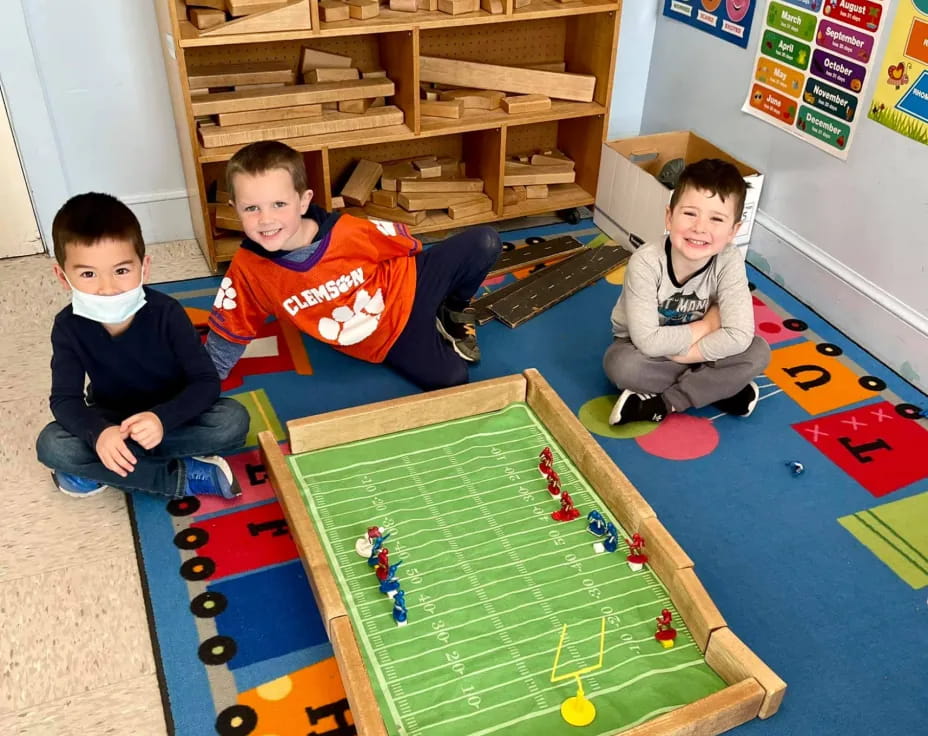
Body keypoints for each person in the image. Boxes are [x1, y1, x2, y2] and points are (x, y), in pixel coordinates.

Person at [205, 141, 501, 391]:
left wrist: (439, 278)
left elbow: (408, 247)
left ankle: (451, 310)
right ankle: (435, 319)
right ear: (235, 210)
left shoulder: (347, 229)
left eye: (279, 205)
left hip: (407, 283)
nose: (266, 219)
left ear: (304, 201)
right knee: (453, 377)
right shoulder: (248, 271)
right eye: (251, 208)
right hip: (387, 336)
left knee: (484, 241)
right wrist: (201, 384)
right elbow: (228, 332)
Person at [35, 193, 250, 499]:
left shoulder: (168, 313)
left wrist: (163, 419)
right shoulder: (67, 326)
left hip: (173, 413)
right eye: (87, 274)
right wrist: (100, 435)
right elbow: (65, 400)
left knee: (232, 421)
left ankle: (97, 471)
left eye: (121, 271)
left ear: (144, 267)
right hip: (112, 419)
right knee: (52, 444)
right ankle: (177, 477)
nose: (107, 288)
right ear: (62, 275)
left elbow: (205, 382)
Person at [604, 158, 771, 425]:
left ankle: (665, 403)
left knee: (758, 352)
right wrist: (707, 325)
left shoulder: (729, 260)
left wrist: (691, 354)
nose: (700, 228)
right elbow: (648, 341)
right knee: (622, 367)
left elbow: (740, 335)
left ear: (733, 231)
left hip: (695, 351)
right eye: (690, 213)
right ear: (669, 217)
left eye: (716, 219)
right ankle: (717, 387)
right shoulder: (646, 262)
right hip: (645, 350)